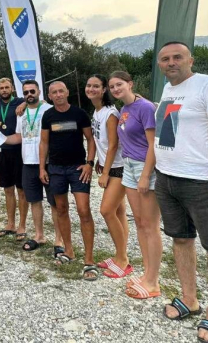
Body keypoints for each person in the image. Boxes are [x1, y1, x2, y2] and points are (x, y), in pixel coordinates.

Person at [154, 42, 208, 343]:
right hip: (167, 178)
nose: (171, 62)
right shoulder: (168, 91)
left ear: (191, 59)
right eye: (165, 59)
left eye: (177, 57)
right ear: (160, 64)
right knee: (180, 239)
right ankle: (190, 299)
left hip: (201, 180)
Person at [109, 71, 162, 298]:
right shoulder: (124, 110)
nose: (115, 89)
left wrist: (145, 175)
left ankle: (154, 280)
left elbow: (153, 144)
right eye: (111, 87)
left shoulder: (145, 107)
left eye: (119, 84)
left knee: (151, 224)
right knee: (140, 222)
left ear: (130, 84)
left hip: (144, 167)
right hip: (129, 167)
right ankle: (146, 274)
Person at [39, 81, 98, 281]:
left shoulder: (79, 114)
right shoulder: (48, 116)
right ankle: (69, 251)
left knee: (83, 211)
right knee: (61, 209)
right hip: (55, 168)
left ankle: (89, 260)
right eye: (54, 92)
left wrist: (90, 163)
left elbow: (90, 139)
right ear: (50, 95)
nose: (58, 94)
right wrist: (42, 168)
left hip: (77, 168)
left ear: (67, 92)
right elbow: (44, 142)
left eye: (61, 91)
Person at [4, 80, 65, 255]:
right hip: (28, 163)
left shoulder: (48, 110)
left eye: (32, 91)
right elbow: (19, 137)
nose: (29, 94)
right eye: (26, 92)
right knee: (34, 201)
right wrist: (1, 138)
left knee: (55, 202)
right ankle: (39, 235)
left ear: (39, 92)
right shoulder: (20, 114)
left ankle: (59, 239)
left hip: (48, 162)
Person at [86, 75, 130, 278]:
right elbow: (100, 142)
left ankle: (123, 260)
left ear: (104, 89)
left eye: (96, 86)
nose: (91, 89)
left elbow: (113, 144)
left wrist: (105, 172)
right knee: (119, 212)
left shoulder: (111, 113)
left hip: (118, 169)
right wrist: (99, 161)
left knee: (106, 210)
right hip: (108, 165)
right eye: (89, 85)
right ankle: (120, 254)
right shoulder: (96, 112)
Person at [0, 78, 27, 240]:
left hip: (19, 150)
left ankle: (22, 226)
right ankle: (10, 224)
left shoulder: (20, 101)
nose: (4, 90)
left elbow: (41, 100)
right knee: (8, 189)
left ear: (12, 88)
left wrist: (25, 103)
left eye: (7, 87)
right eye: (1, 88)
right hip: (2, 151)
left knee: (21, 190)